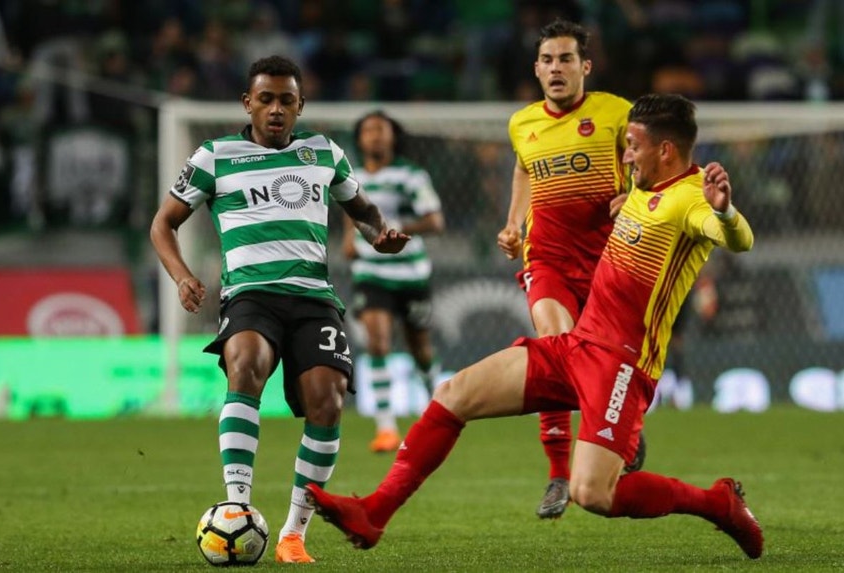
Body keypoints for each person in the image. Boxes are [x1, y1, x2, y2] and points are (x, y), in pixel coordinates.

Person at [306, 93, 764, 560]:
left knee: (593, 494)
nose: (626, 154)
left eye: (632, 145)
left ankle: (717, 503)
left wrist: (724, 211)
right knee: (454, 394)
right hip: (575, 346)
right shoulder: (644, 190)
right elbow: (548, 175)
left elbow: (738, 238)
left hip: (621, 365)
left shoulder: (691, 198)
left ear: (665, 151)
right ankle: (375, 513)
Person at [149, 55, 409, 564]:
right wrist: (182, 276)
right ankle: (237, 507)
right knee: (246, 364)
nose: (275, 109)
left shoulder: (324, 153)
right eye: (265, 98)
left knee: (329, 402)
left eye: (286, 100)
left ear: (300, 106)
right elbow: (163, 224)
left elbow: (363, 210)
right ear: (247, 102)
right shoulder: (214, 155)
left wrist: (381, 236)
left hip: (313, 298)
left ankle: (293, 533)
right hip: (250, 294)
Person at [496, 17, 643, 520]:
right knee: (557, 350)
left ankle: (618, 428)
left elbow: (648, 160)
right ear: (536, 69)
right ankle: (559, 473)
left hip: (611, 258)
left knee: (603, 360)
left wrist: (636, 192)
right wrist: (514, 223)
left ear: (585, 66)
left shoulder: (617, 112)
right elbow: (522, 167)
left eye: (565, 59)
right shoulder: (522, 123)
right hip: (549, 258)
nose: (555, 68)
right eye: (547, 60)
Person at [344, 110, 445, 453]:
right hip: (371, 273)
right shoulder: (351, 176)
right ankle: (386, 428)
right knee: (378, 342)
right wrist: (349, 237)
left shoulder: (411, 176)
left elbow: (435, 220)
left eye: (381, 130)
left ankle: (435, 413)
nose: (374, 136)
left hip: (411, 273)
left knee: (421, 349)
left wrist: (398, 230)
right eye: (368, 130)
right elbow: (352, 212)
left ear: (392, 137)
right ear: (360, 138)